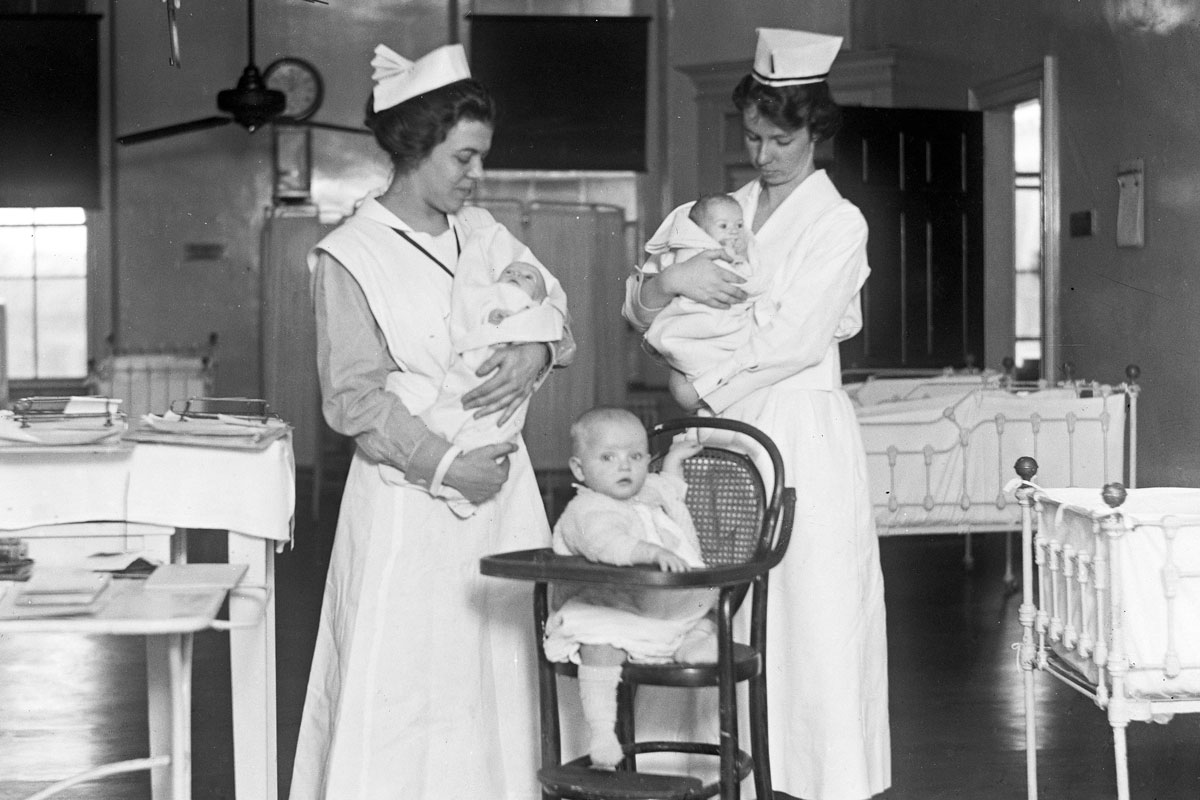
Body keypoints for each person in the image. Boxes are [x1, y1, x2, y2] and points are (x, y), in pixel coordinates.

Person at [290, 41, 574, 800]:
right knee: (404, 683)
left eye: (480, 157)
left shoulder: (480, 231)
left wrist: (537, 352)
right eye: (463, 159)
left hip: (502, 499)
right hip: (409, 501)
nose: (476, 176)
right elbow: (354, 397)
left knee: (493, 674)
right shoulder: (351, 255)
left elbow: (551, 304)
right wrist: (448, 465)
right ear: (415, 149)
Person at [622, 27, 891, 800]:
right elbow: (635, 298)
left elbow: (792, 341)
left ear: (817, 132)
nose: (764, 154)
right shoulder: (717, 211)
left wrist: (694, 387)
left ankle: (821, 782)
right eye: (752, 136)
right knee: (709, 600)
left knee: (811, 611)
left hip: (797, 427)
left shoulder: (838, 225)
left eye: (781, 138)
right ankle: (705, 773)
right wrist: (673, 287)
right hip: (722, 432)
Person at [543, 407, 716, 770]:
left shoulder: (644, 491)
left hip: (658, 603)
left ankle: (692, 641)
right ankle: (603, 731)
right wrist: (647, 551)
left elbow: (668, 490)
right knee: (600, 647)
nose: (625, 467)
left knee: (697, 613)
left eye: (635, 457)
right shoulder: (587, 509)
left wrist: (673, 461)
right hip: (608, 606)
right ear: (580, 469)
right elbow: (605, 543)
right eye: (608, 457)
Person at [390, 222, 567, 517]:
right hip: (412, 435)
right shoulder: (357, 243)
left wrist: (539, 349)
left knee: (490, 433)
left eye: (526, 276)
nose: (514, 275)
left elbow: (558, 318)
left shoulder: (483, 227)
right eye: (509, 273)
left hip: (496, 403)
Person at [642, 194, 772, 412]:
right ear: (699, 232)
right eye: (723, 226)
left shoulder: (738, 252)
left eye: (739, 225)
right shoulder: (691, 252)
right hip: (699, 326)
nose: (734, 231)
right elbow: (747, 285)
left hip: (723, 333)